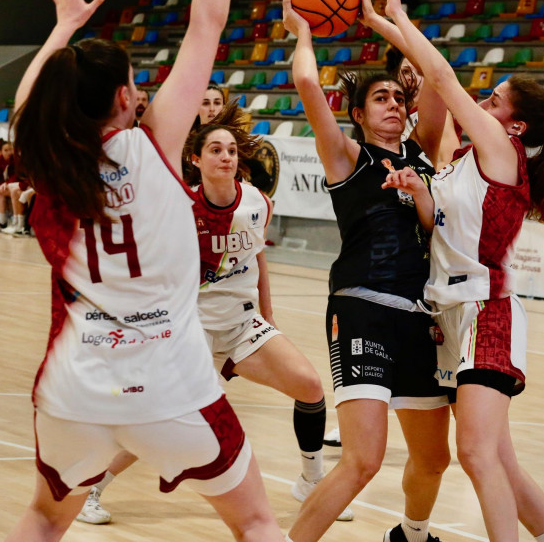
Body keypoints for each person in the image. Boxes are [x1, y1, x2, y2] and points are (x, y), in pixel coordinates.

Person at [3, 0, 283, 542]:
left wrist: (63, 28)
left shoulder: (50, 165)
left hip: (73, 388)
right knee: (254, 521)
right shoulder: (155, 143)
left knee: (42, 517)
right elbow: (208, 21)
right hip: (169, 384)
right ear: (128, 94)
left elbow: (28, 103)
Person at [379, 0, 544, 542]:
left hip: (488, 312)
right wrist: (416, 190)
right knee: (498, 458)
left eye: (495, 100)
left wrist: (396, 17)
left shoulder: (503, 159)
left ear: (515, 126)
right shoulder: (463, 161)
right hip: (448, 314)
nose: (483, 101)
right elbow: (440, 219)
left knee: (476, 454)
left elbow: (442, 77)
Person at [76, 104, 354, 525]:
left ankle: (310, 481)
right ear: (196, 159)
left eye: (231, 151)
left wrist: (269, 313)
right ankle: (90, 489)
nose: (226, 157)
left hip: (243, 325)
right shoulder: (180, 210)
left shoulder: (258, 203)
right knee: (159, 420)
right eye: (216, 150)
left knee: (311, 386)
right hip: (193, 330)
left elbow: (258, 259)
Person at [281, 0, 452, 542]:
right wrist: (304, 31)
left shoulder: (420, 154)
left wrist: (381, 21)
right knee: (362, 460)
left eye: (396, 99)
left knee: (434, 460)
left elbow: (434, 78)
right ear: (357, 114)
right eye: (380, 99)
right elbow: (308, 81)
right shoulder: (348, 157)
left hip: (419, 316)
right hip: (361, 307)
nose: (395, 105)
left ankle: (412, 534)